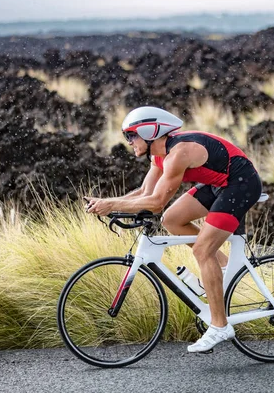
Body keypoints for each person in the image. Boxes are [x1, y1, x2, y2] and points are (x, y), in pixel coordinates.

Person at [84, 106, 263, 353]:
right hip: (218, 184)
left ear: (149, 132)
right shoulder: (158, 156)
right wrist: (113, 205)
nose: (129, 142)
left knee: (202, 251)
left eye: (131, 136)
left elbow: (156, 203)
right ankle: (221, 267)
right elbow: (146, 194)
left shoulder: (179, 153)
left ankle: (220, 326)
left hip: (241, 184)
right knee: (172, 220)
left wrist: (112, 204)